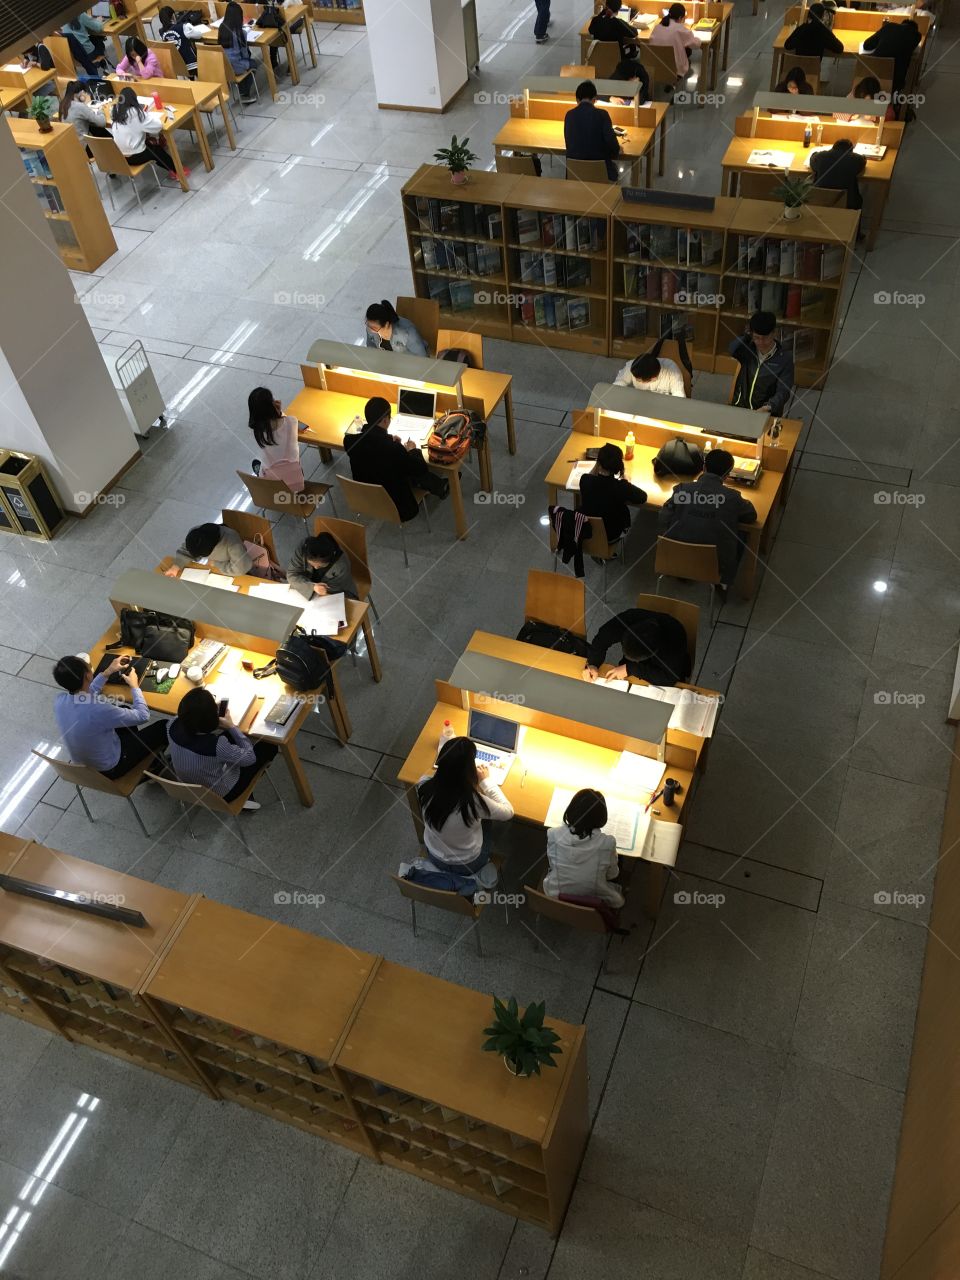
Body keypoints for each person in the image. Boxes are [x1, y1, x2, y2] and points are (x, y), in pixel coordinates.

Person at [52, 654, 168, 779]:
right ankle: (155, 766)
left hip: (86, 766)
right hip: (111, 768)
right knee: (164, 726)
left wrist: (108, 672)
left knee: (125, 709)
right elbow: (143, 716)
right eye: (88, 667)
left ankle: (139, 748)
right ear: (87, 675)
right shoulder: (99, 709)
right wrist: (134, 686)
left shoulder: (60, 700)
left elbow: (85, 695)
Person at [658, 448, 757, 589]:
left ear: (704, 467)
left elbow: (664, 515)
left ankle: (682, 572)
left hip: (675, 555)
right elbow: (751, 516)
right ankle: (724, 583)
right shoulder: (732, 497)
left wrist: (666, 535)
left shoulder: (683, 489)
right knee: (743, 533)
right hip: (714, 563)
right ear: (728, 475)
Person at [168, 687, 278, 811]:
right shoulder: (217, 746)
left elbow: (194, 717)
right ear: (211, 720)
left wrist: (206, 711)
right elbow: (250, 758)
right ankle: (245, 794)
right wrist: (231, 726)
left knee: (228, 739)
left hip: (188, 785)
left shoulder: (171, 724)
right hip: (222, 794)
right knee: (270, 746)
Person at [417, 737, 513, 876]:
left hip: (434, 855)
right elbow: (508, 812)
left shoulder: (424, 784)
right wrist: (486, 781)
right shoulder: (473, 802)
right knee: (487, 819)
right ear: (469, 769)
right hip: (468, 863)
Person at [345, 396, 448, 522]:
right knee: (414, 467)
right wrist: (411, 450)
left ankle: (439, 485)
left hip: (367, 498)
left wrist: (389, 441)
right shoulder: (393, 449)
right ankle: (439, 485)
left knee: (400, 465)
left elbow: (373, 450)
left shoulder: (349, 441)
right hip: (398, 506)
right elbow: (421, 469)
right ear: (385, 420)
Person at [544, 788, 624, 908]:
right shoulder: (608, 843)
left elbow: (552, 865)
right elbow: (612, 874)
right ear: (602, 817)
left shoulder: (553, 835)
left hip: (557, 893)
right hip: (595, 898)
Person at [582, 606, 692, 684]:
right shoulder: (628, 620)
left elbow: (669, 678)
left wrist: (630, 669)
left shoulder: (674, 640)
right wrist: (593, 663)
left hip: (661, 669)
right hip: (634, 664)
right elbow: (602, 638)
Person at [728, 310, 794, 416]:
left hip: (765, 413)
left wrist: (769, 407)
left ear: (774, 333)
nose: (760, 342)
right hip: (740, 409)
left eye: (765, 338)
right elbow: (732, 349)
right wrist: (747, 336)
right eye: (757, 338)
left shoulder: (785, 359)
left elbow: (783, 391)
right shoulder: (747, 350)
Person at [578, 442, 647, 542]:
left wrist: (598, 464)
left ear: (599, 463)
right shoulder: (621, 487)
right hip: (612, 535)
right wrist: (626, 482)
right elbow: (643, 497)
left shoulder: (585, 480)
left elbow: (590, 476)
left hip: (587, 531)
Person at [109, 86, 182, 180]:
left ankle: (173, 170)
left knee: (149, 142)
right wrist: (147, 115)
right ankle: (177, 172)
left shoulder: (115, 111)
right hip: (135, 156)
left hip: (120, 156)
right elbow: (157, 126)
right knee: (158, 151)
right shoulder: (137, 113)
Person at [563, 80, 621, 182]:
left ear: (577, 100)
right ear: (594, 99)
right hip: (600, 174)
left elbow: (568, 142)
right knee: (614, 167)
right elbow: (614, 147)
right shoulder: (602, 115)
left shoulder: (569, 115)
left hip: (574, 173)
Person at [248, 387, 303, 491]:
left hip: (273, 487)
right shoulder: (292, 421)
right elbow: (284, 421)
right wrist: (280, 412)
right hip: (297, 481)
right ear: (272, 405)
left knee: (257, 461)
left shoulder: (256, 432)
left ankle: (259, 473)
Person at [287, 533, 357, 600]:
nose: (316, 568)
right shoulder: (303, 549)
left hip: (337, 591)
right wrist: (312, 587)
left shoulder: (341, 565)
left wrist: (308, 586)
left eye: (320, 566)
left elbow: (334, 590)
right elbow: (292, 574)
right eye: (311, 564)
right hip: (310, 585)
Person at [170, 522, 254, 575]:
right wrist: (177, 565)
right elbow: (187, 550)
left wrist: (215, 563)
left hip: (231, 567)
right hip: (215, 565)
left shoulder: (233, 544)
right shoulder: (196, 533)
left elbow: (241, 568)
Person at [863, 17, 920, 95]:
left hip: (872, 71)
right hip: (895, 79)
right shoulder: (917, 35)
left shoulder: (889, 26)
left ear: (901, 24)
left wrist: (881, 41)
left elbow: (866, 45)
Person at [219, 0, 259, 104]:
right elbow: (245, 54)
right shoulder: (241, 33)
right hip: (236, 66)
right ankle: (244, 94)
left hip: (224, 66)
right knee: (253, 63)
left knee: (244, 62)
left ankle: (240, 89)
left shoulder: (222, 28)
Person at [809, 137, 866, 210]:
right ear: (851, 150)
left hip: (820, 201)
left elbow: (813, 162)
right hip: (847, 203)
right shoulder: (857, 159)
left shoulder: (820, 156)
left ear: (833, 147)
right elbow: (863, 162)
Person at [650, 3, 697, 80]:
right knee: (688, 50)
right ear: (680, 17)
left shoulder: (657, 27)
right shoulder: (680, 29)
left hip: (655, 64)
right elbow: (695, 44)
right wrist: (698, 39)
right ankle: (677, 78)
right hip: (674, 67)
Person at [363, 301, 428, 355]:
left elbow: (422, 357)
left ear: (386, 325)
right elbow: (371, 347)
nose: (371, 330)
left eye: (374, 328)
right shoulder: (370, 328)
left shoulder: (408, 334)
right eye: (368, 324)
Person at [60, 80, 110, 145]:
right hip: (84, 145)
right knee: (99, 129)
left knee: (95, 127)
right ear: (82, 92)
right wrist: (100, 109)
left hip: (72, 143)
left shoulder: (63, 104)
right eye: (86, 93)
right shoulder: (80, 107)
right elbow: (102, 123)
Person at [614, 351, 686, 397]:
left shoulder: (672, 372)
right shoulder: (633, 365)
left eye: (638, 380)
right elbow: (618, 383)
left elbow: (679, 397)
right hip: (639, 400)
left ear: (653, 378)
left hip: (664, 403)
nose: (635, 379)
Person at [159, 6, 204, 76]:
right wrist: (189, 25)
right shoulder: (183, 27)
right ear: (173, 16)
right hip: (192, 64)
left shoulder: (161, 32)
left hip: (178, 66)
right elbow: (199, 35)